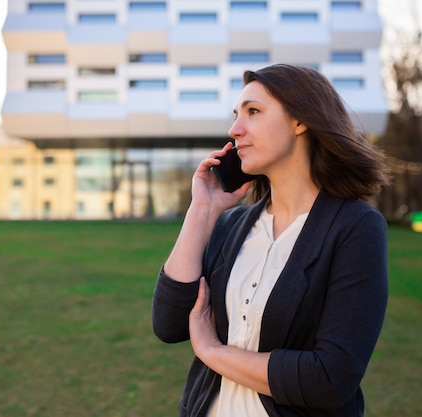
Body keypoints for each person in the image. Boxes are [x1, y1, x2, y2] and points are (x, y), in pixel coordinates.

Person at [152, 64, 390, 417]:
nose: (235, 130)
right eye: (236, 115)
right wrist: (201, 211)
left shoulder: (356, 228)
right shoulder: (231, 224)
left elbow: (330, 378)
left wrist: (212, 351)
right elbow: (169, 325)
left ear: (300, 121)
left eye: (253, 112)